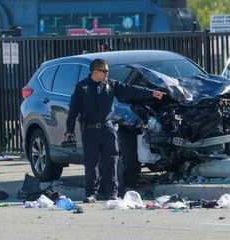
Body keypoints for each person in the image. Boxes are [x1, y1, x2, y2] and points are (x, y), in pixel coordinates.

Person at [65, 58, 166, 203]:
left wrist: (151, 93)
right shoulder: (81, 87)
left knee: (111, 162)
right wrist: (69, 130)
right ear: (95, 71)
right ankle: (90, 194)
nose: (107, 73)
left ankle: (112, 193)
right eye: (104, 71)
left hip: (108, 128)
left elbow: (131, 90)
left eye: (107, 71)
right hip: (90, 130)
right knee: (91, 163)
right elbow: (73, 110)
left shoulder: (110, 85)